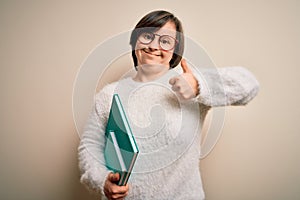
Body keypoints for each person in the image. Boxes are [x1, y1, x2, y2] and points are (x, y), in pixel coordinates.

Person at [78, 10, 259, 200]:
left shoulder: (189, 85)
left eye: (165, 41)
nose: (154, 45)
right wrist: (102, 181)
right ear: (135, 41)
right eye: (147, 36)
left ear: (175, 50)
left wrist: (199, 85)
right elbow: (90, 146)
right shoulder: (109, 94)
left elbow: (249, 84)